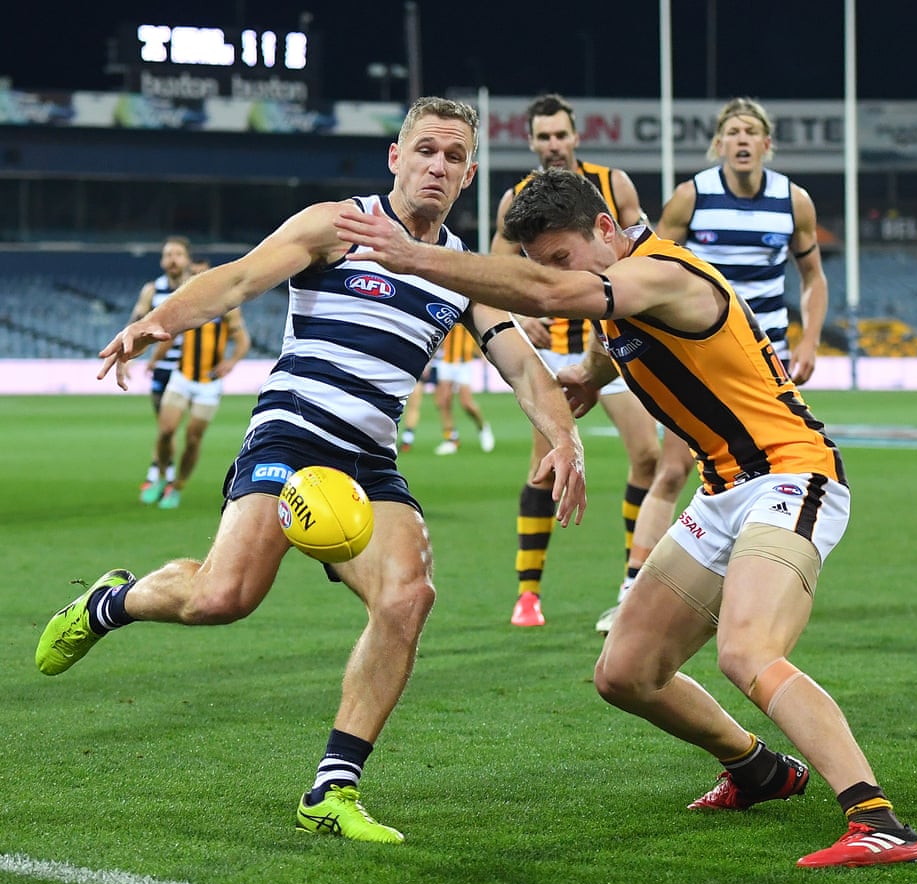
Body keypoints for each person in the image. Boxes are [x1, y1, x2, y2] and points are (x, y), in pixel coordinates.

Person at [332, 166, 917, 868]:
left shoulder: (663, 272)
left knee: (747, 652)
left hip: (793, 475)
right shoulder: (623, 285)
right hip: (725, 493)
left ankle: (878, 818)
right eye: (541, 261)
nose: (554, 274)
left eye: (561, 256)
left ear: (608, 231)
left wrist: (411, 254)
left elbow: (570, 295)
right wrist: (592, 373)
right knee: (623, 671)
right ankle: (758, 769)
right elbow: (607, 321)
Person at [35, 97, 587, 845]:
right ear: (396, 157)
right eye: (425, 149)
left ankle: (332, 788)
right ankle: (111, 602)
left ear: (469, 174)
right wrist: (159, 322)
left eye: (454, 157)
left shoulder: (463, 273)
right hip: (291, 435)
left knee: (408, 597)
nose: (438, 165)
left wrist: (566, 441)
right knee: (221, 597)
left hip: (370, 459)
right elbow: (236, 280)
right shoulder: (338, 224)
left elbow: (524, 369)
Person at [594, 97, 830, 634]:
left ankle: (751, 580)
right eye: (733, 131)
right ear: (719, 143)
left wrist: (810, 337)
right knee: (675, 468)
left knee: (774, 467)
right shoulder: (691, 196)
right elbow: (648, 262)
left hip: (765, 359)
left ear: (767, 144)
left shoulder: (794, 201)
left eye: (752, 132)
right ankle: (634, 590)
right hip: (696, 356)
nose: (743, 140)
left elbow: (813, 276)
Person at [492, 93, 660, 628]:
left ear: (575, 136)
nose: (553, 144)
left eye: (560, 134)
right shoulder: (515, 201)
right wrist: (518, 320)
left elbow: (645, 249)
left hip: (610, 344)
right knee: (545, 470)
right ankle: (528, 595)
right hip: (548, 352)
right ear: (532, 143)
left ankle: (632, 584)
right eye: (543, 137)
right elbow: (493, 278)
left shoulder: (615, 185)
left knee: (649, 458)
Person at [141, 304, 251, 508]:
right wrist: (154, 360)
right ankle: (162, 477)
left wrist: (232, 362)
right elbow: (171, 336)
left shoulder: (227, 309)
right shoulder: (189, 304)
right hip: (182, 377)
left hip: (209, 385)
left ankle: (177, 487)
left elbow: (243, 340)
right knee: (166, 431)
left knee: (192, 439)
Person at [128, 236, 192, 502]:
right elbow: (137, 319)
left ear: (187, 258)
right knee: (165, 429)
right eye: (168, 254)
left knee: (169, 428)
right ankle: (162, 471)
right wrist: (128, 351)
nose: (173, 259)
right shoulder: (153, 290)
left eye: (178, 254)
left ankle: (159, 472)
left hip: (186, 370)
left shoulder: (195, 288)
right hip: (161, 370)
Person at [431, 323, 495, 455]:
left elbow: (476, 331)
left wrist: (482, 353)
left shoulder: (466, 309)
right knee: (444, 401)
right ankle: (451, 439)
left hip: (464, 363)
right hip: (446, 361)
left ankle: (483, 427)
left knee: (466, 403)